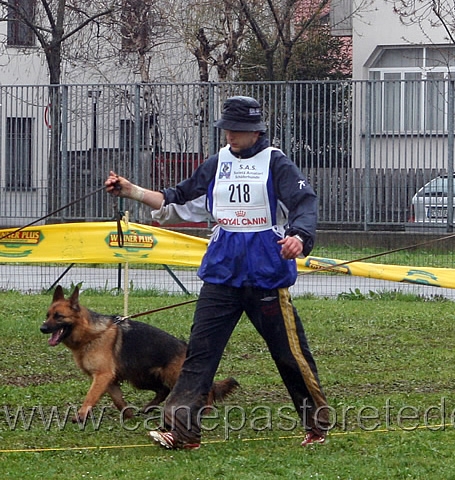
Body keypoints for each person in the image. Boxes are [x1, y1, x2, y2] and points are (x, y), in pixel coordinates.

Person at [105, 95, 330, 449]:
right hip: (222, 275)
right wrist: (131, 191)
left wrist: (299, 238)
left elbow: (305, 203)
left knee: (289, 354)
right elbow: (176, 198)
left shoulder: (277, 163)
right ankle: (182, 432)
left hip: (265, 276)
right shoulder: (216, 163)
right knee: (199, 356)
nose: (230, 136)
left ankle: (316, 426)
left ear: (256, 132)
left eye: (238, 130)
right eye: (226, 129)